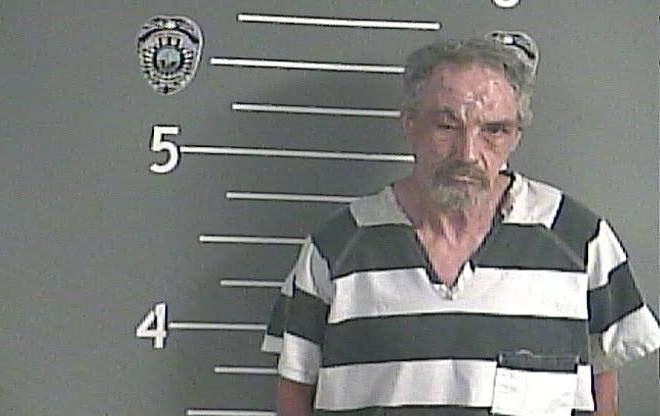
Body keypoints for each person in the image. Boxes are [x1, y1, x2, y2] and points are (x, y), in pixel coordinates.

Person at [261, 35, 660, 416]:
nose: (468, 154)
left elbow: (602, 382)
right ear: (409, 124)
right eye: (446, 126)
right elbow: (295, 386)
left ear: (516, 135)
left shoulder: (580, 240)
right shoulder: (336, 247)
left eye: (494, 130)